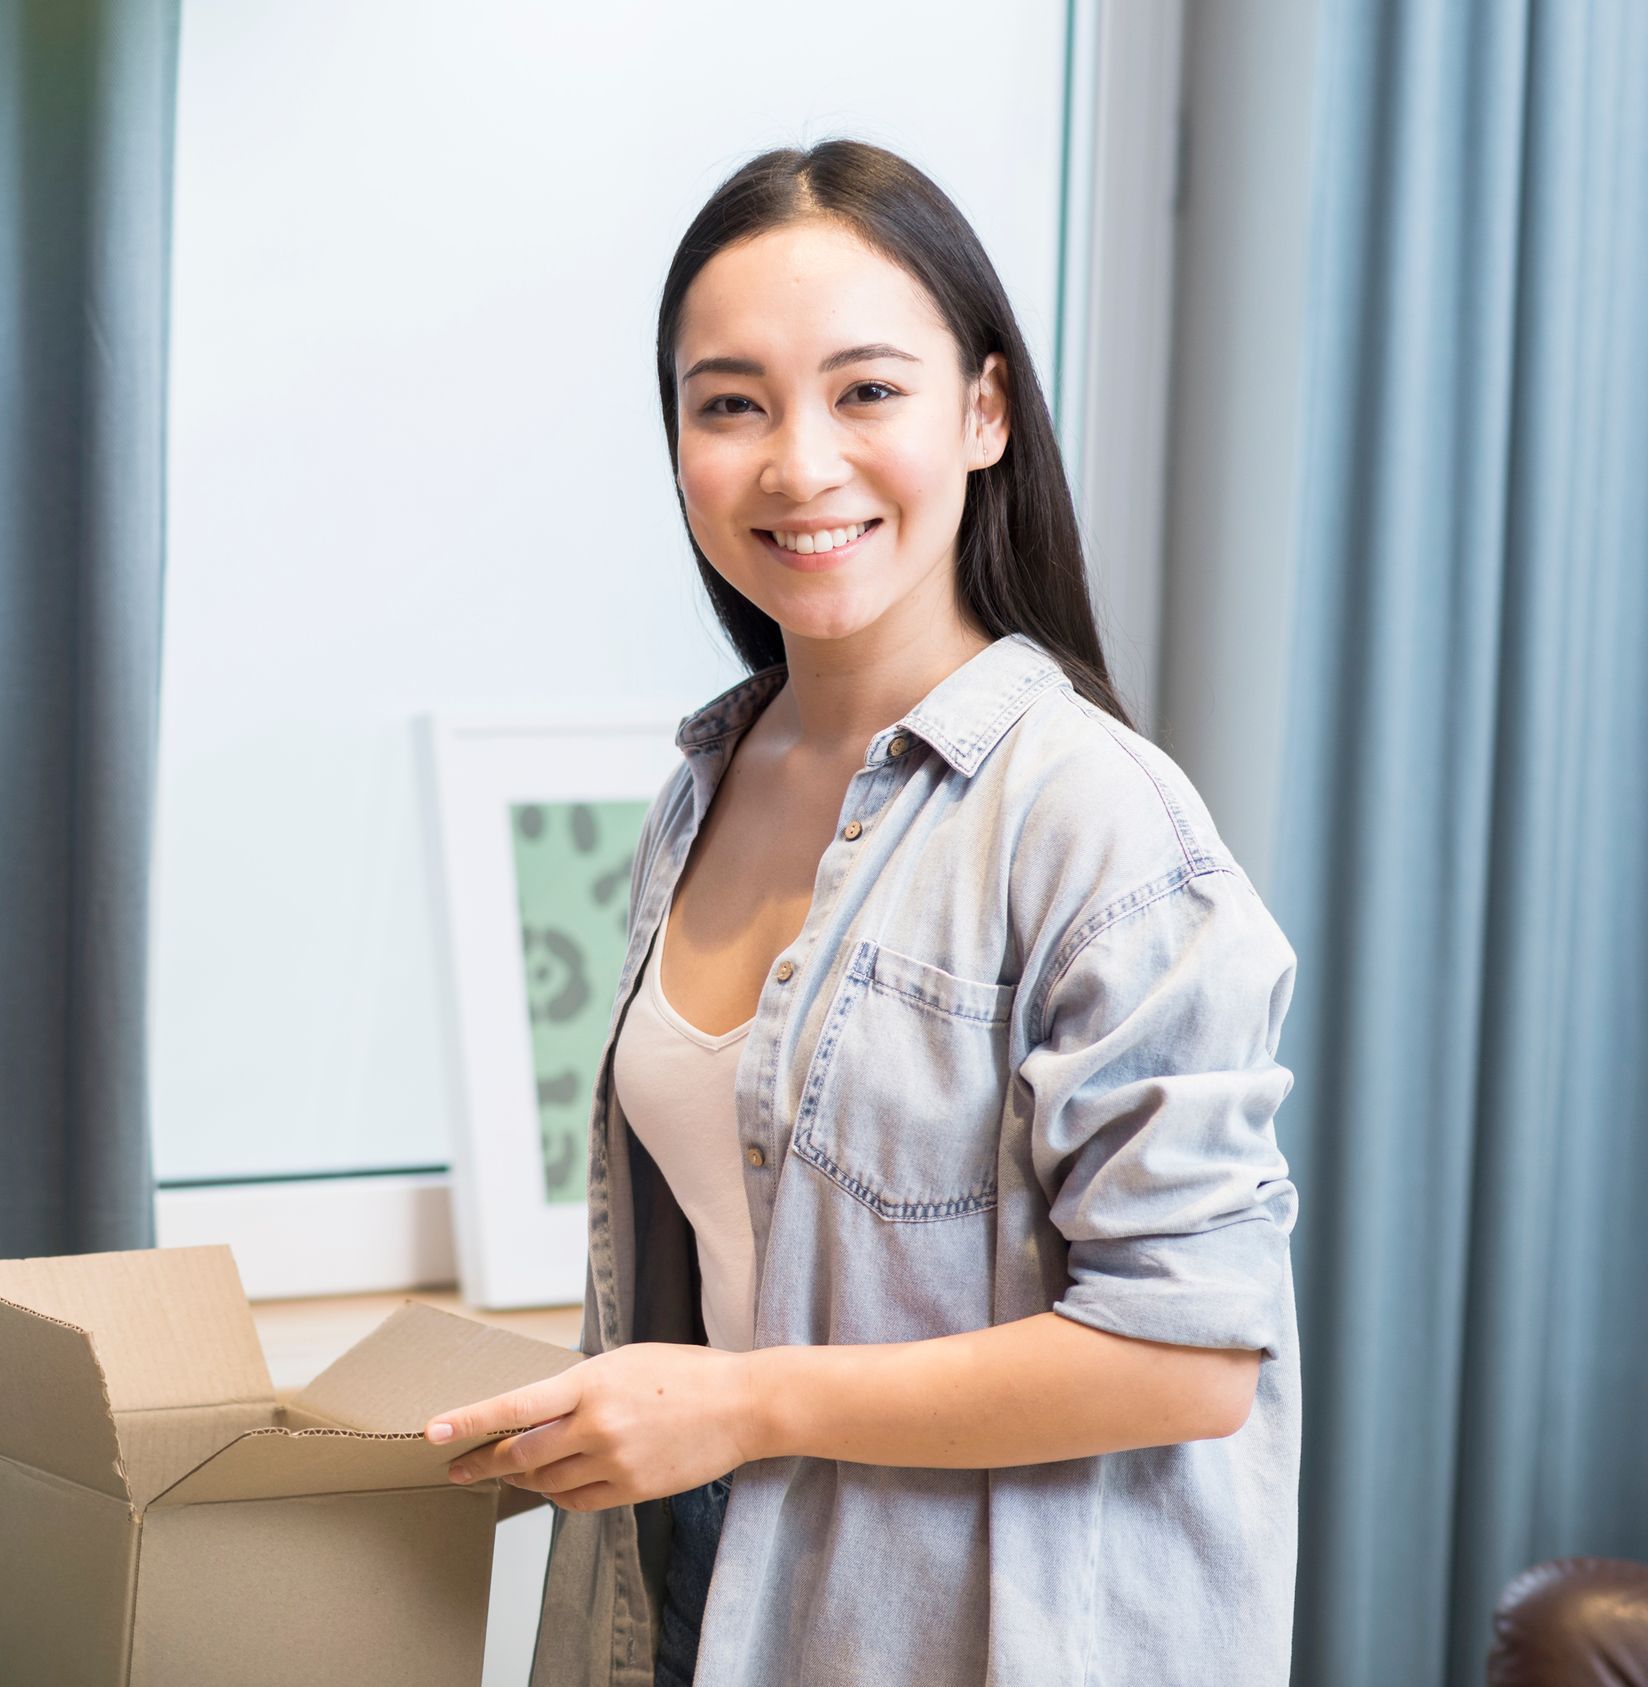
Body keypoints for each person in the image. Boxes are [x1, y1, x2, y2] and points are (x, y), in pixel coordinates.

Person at [423, 138, 1302, 1686]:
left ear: (983, 411)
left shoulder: (1094, 818)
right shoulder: (710, 778)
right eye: (732, 403)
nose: (799, 464)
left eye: (867, 391)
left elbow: (1191, 1355)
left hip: (971, 1630)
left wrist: (747, 1407)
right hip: (709, 1584)